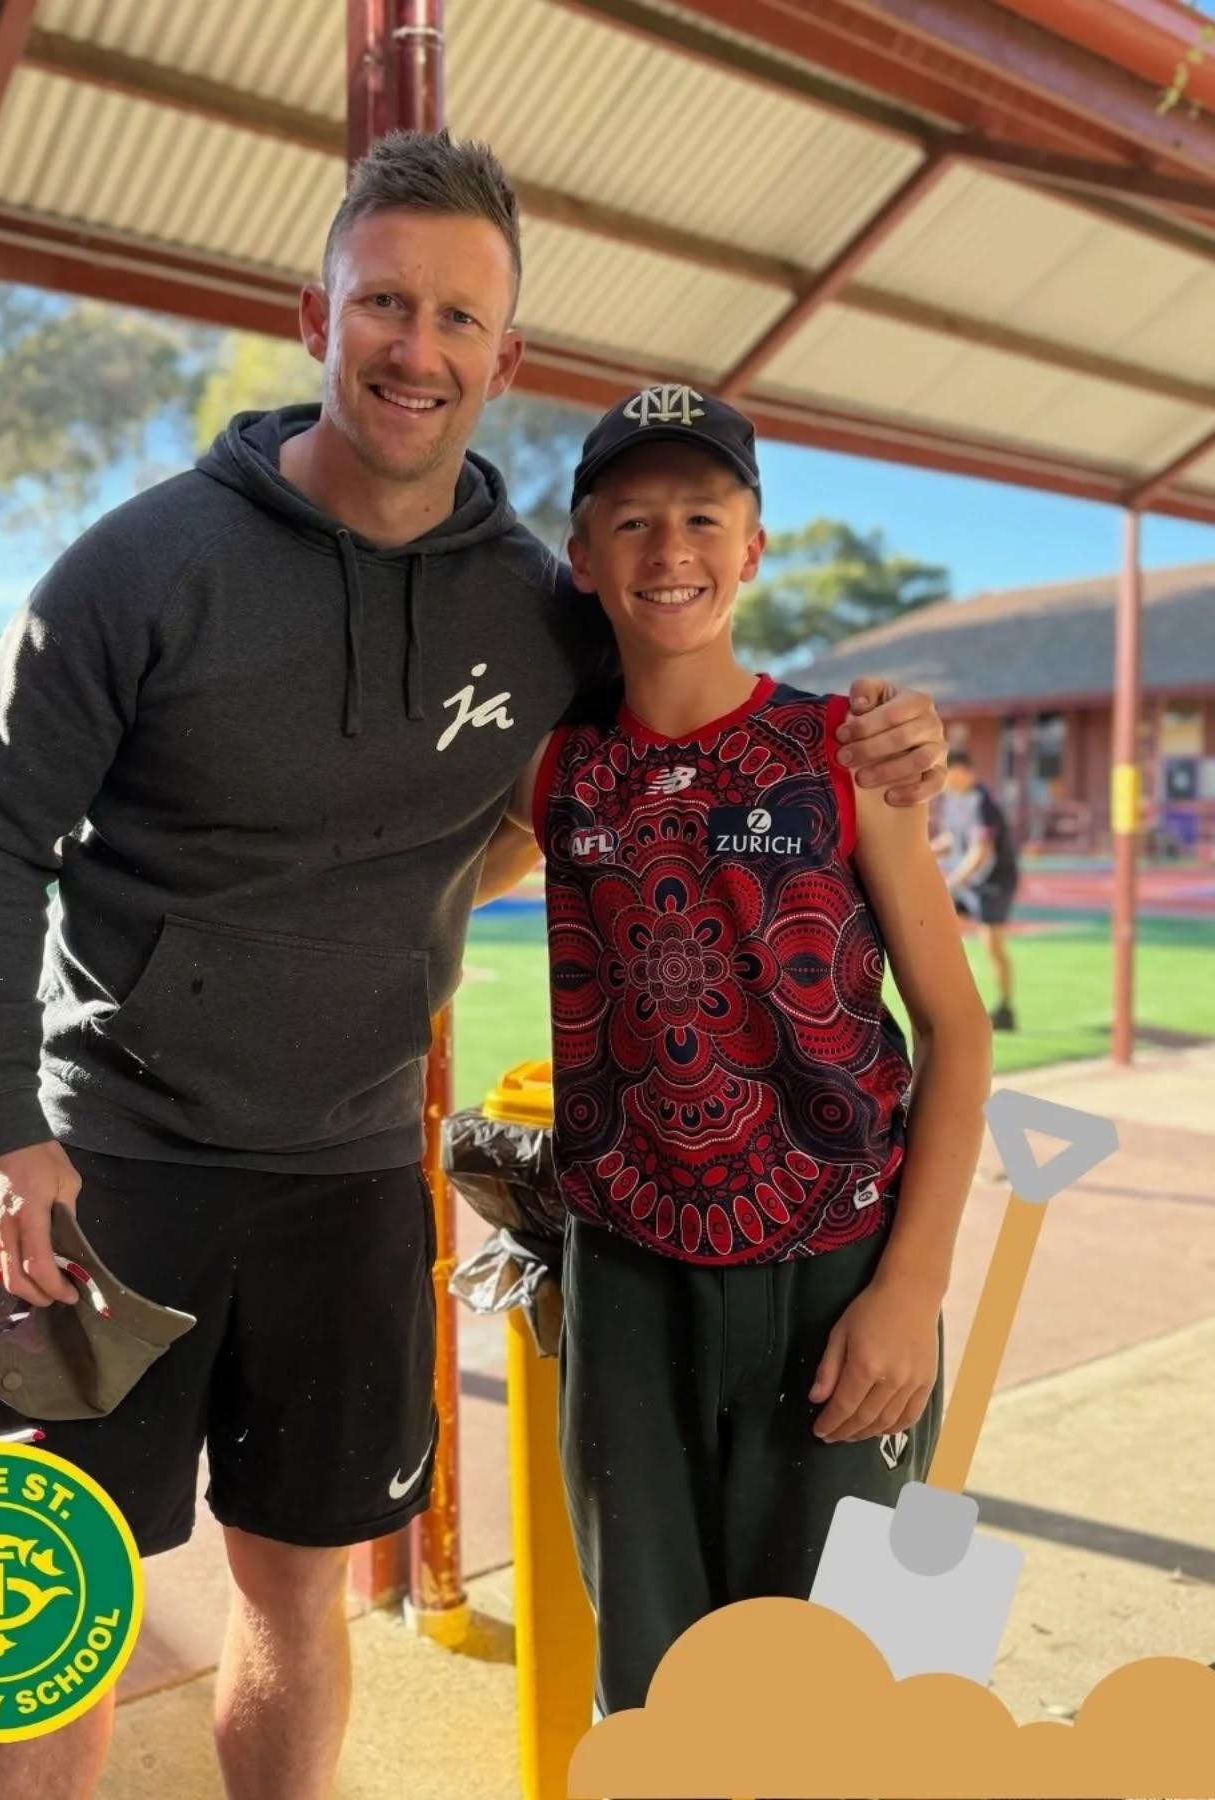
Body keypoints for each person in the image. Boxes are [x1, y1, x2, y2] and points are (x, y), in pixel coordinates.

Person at [0, 131, 952, 1799]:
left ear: (507, 355)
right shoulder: (142, 565)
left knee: (297, 1590)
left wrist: (889, 731)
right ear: (316, 315)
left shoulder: (539, 616)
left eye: (458, 317)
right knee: (47, 1606)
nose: (418, 347)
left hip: (346, 1178)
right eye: (385, 303)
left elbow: (695, 694)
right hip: (108, 1176)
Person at [502, 389, 992, 1720]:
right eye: (636, 522)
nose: (672, 550)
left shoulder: (846, 752)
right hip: (629, 1289)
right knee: (655, 1700)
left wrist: (910, 1292)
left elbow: (957, 1030)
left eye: (704, 517)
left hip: (838, 1282)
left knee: (836, 1703)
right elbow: (406, 867)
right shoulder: (556, 775)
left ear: (755, 548)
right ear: (585, 556)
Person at [933, 748, 1022, 1030]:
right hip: (969, 881)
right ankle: (950, 1001)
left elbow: (979, 852)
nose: (942, 779)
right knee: (941, 933)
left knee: (992, 946)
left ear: (961, 771)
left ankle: (1005, 1008)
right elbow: (953, 838)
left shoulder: (984, 803)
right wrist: (924, 851)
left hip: (993, 881)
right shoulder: (952, 799)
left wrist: (951, 882)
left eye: (946, 772)